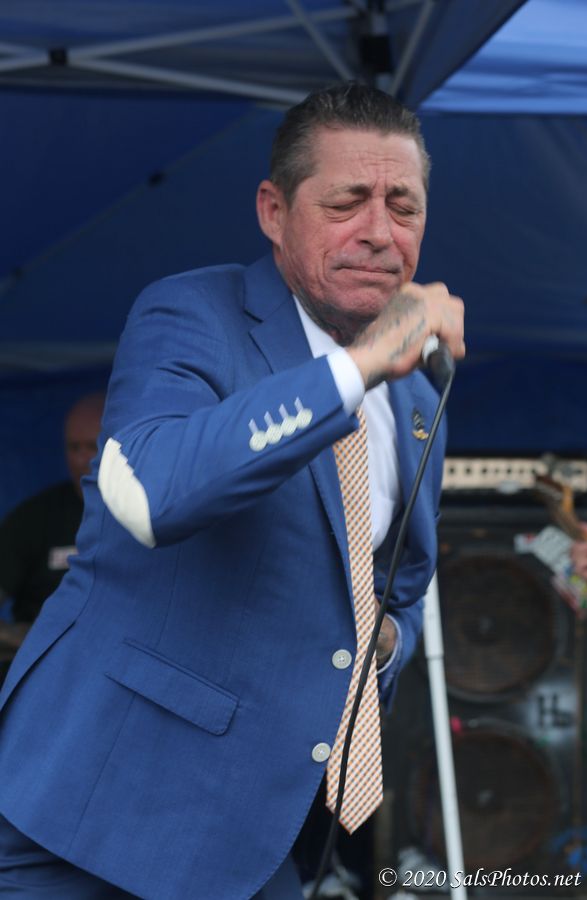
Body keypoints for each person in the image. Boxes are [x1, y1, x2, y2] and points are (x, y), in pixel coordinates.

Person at [0, 83, 464, 899]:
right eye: (347, 202)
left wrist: (389, 640)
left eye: (404, 206)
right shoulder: (190, 315)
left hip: (257, 834)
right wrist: (355, 369)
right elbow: (154, 494)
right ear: (273, 212)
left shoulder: (419, 393)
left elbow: (401, 576)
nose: (379, 231)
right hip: (91, 816)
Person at [0, 392, 104, 656]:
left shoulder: (150, 513)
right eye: (74, 447)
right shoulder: (34, 518)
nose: (81, 460)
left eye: (92, 447)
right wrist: (20, 638)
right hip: (46, 661)